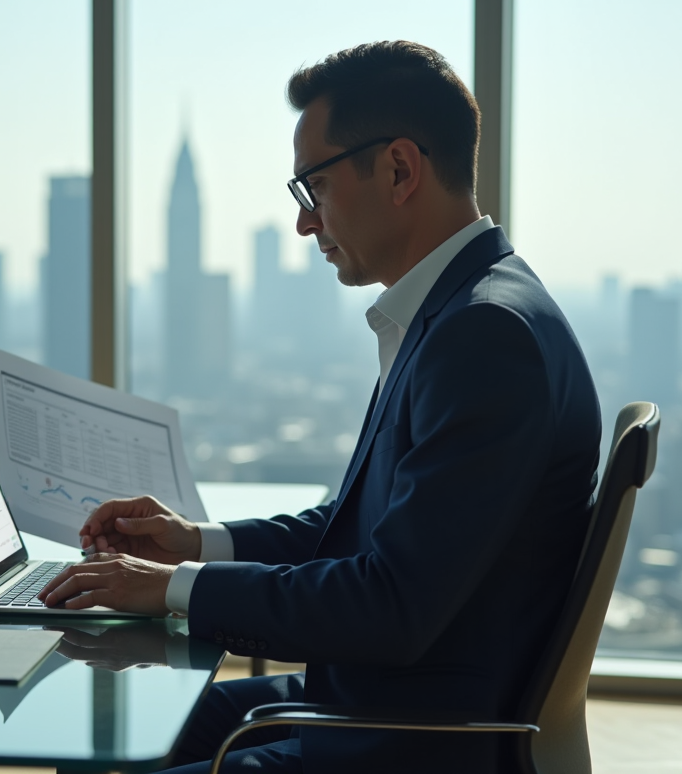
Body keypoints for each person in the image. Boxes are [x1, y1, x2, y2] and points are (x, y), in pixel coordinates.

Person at [39, 40, 601, 773]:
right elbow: (359, 530)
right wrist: (195, 545)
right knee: (109, 732)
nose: (306, 223)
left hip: (409, 740)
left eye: (315, 188)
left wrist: (171, 590)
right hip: (384, 699)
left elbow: (391, 605)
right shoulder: (460, 310)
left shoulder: (484, 336)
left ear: (399, 169)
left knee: (108, 745)